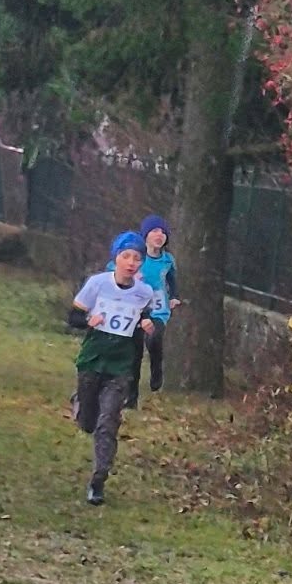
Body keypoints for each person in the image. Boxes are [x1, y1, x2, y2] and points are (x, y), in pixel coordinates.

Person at [69, 231, 156, 505]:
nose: (131, 262)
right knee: (88, 422)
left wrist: (147, 325)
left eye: (137, 258)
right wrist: (88, 321)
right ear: (116, 258)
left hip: (120, 366)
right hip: (93, 360)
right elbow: (73, 317)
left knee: (107, 423)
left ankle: (98, 480)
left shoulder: (144, 293)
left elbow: (143, 321)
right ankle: (79, 402)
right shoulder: (97, 284)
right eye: (126, 256)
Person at [126, 214, 180, 408]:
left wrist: (174, 296)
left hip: (158, 310)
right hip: (136, 310)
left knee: (154, 338)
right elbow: (115, 270)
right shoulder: (136, 257)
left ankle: (157, 369)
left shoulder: (168, 260)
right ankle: (131, 398)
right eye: (155, 231)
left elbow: (172, 279)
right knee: (134, 354)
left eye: (163, 232)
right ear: (145, 235)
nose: (159, 235)